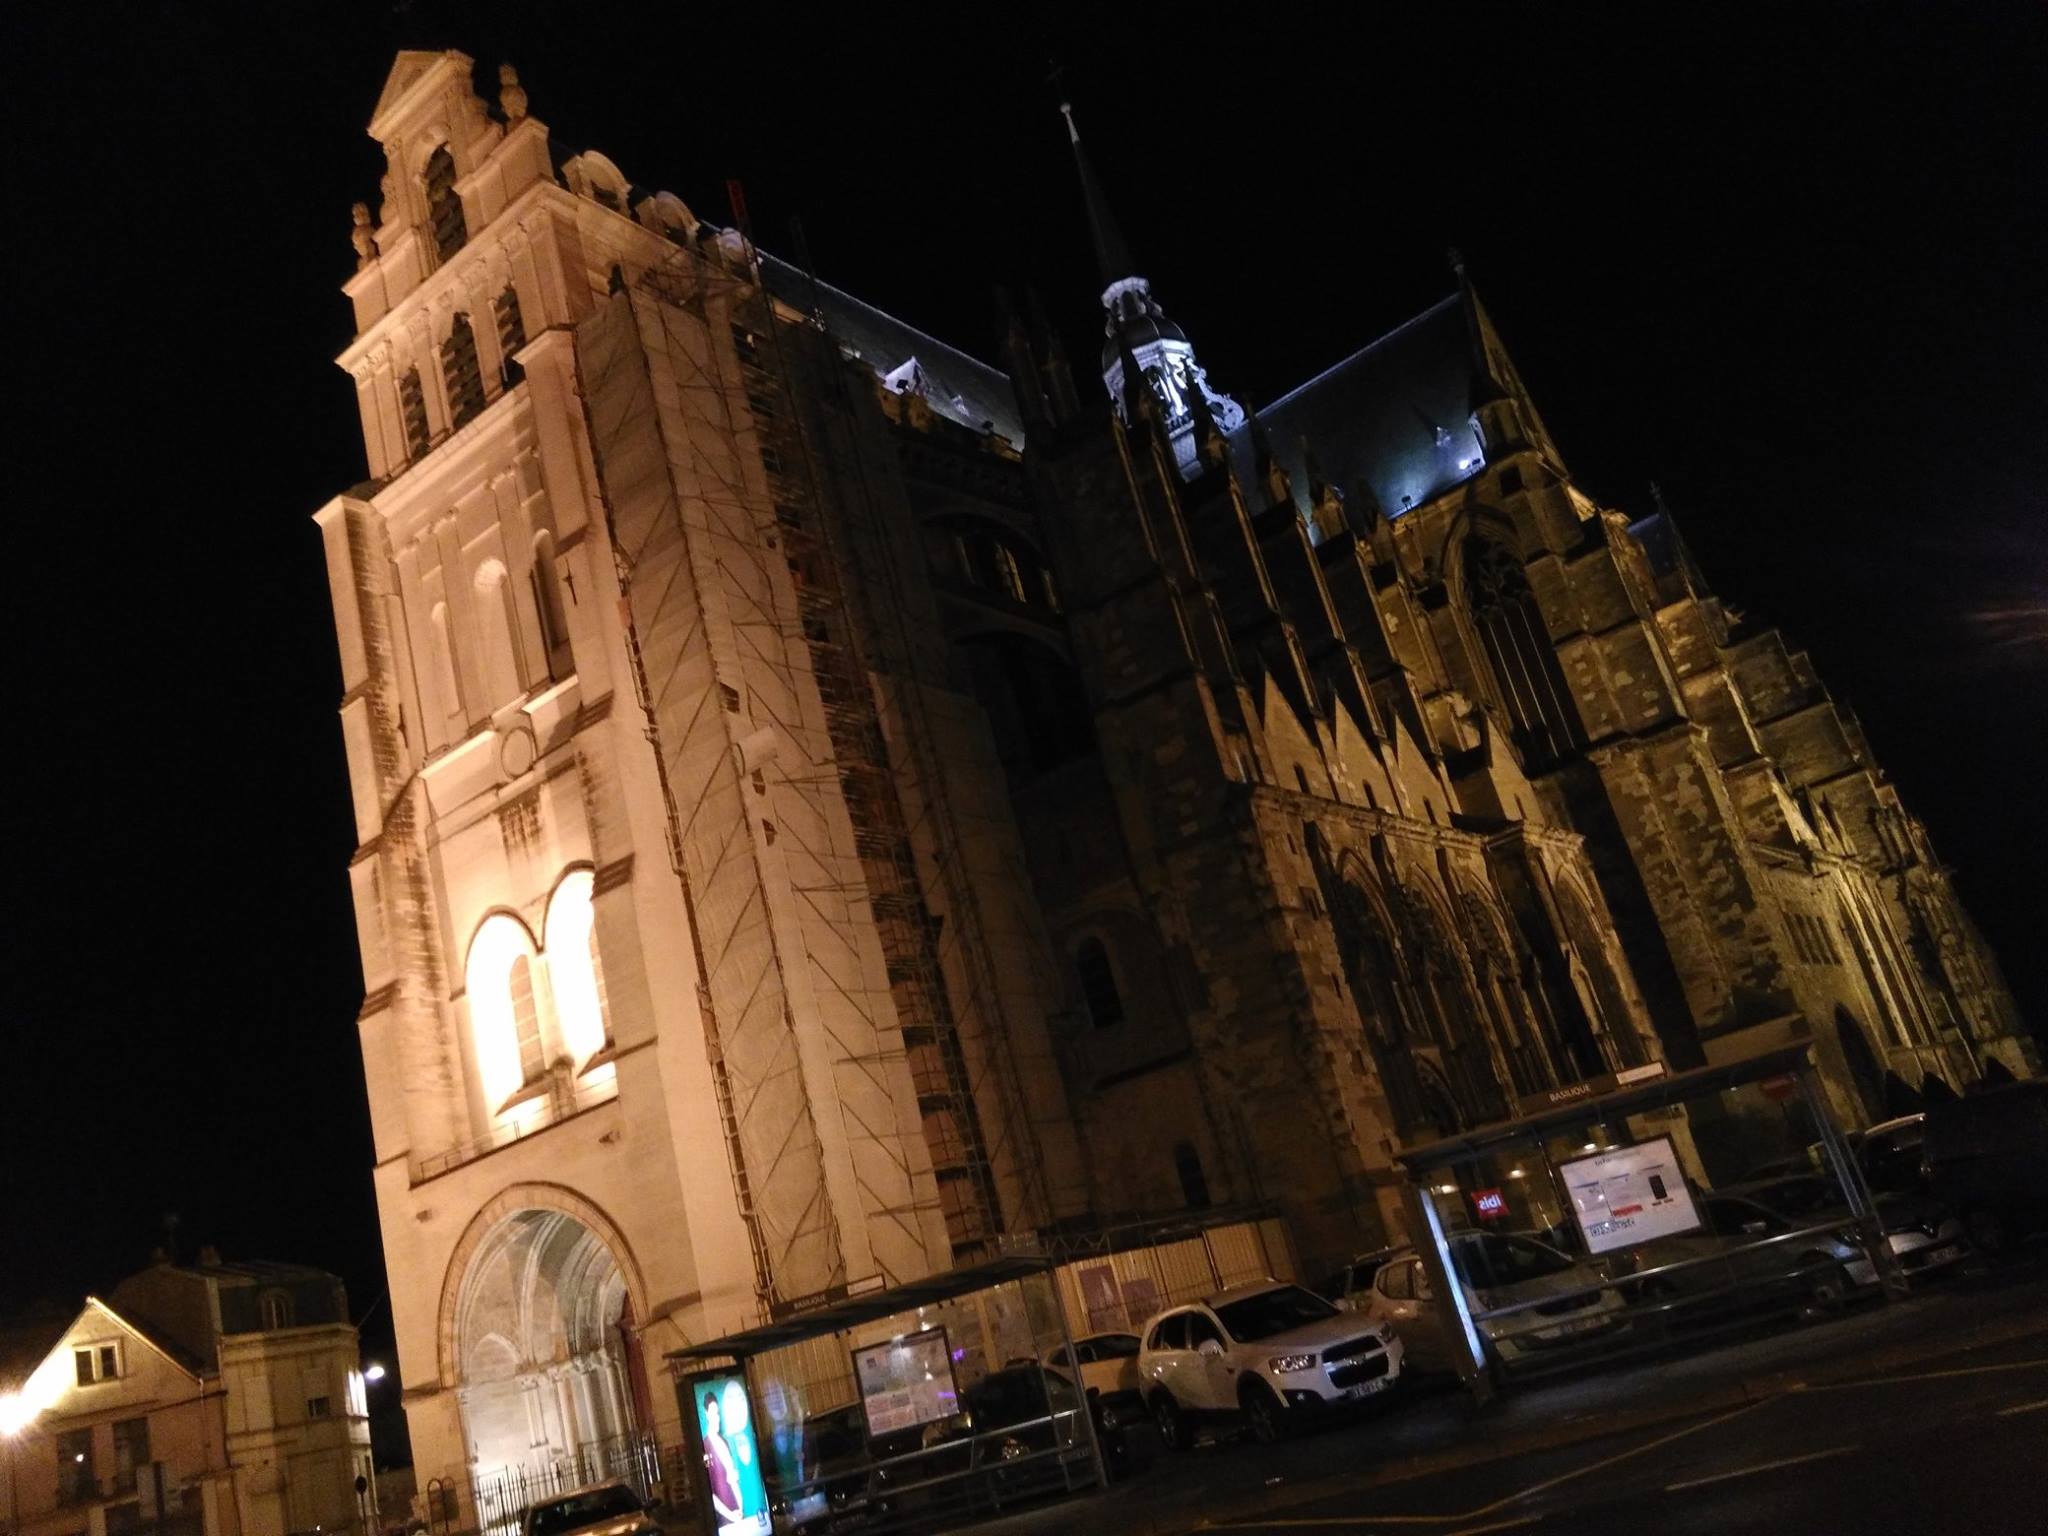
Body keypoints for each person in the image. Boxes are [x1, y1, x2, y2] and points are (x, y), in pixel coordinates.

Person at [702, 1390, 741, 1526]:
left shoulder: (724, 1442)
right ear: (706, 1414)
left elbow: (732, 1478)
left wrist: (740, 1509)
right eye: (713, 1413)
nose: (716, 1418)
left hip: (738, 1513)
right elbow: (710, 1493)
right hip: (726, 1519)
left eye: (717, 1413)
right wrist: (730, 1515)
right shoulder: (705, 1446)